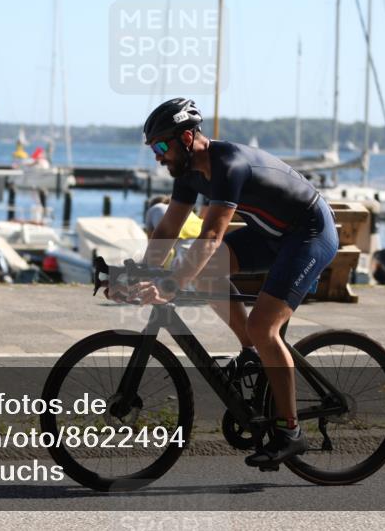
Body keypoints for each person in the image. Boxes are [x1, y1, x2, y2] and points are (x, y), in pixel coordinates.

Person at [125, 97, 340, 467]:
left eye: (161, 147)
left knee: (263, 326)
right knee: (209, 276)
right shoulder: (188, 172)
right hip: (272, 234)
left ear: (187, 138)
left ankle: (290, 432)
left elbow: (211, 236)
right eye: (153, 150)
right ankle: (252, 353)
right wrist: (142, 274)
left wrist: (171, 284)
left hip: (309, 234)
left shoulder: (229, 165)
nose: (158, 157)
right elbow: (168, 228)